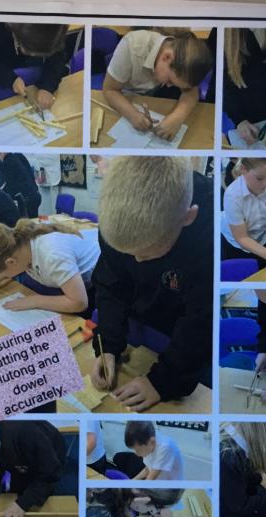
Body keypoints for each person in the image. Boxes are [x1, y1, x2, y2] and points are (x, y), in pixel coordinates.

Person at [90, 156, 213, 411]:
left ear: (187, 217)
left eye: (145, 253)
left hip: (182, 335)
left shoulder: (209, 235)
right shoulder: (116, 216)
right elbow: (112, 283)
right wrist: (107, 345)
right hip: (141, 328)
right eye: (126, 253)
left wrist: (163, 381)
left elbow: (201, 320)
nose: (135, 261)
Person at [0, 220, 100, 315]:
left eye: (3, 272)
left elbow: (79, 303)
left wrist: (35, 301)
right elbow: (15, 268)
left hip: (100, 271)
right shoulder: (20, 246)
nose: (5, 276)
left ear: (11, 262)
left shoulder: (52, 256)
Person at [103, 29, 213, 140]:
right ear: (166, 57)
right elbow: (110, 90)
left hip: (151, 96)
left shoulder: (183, 58)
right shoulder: (132, 46)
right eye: (170, 80)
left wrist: (177, 118)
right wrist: (133, 115)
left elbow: (192, 91)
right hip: (125, 94)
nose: (169, 85)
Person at [0, 22, 70, 110]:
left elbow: (58, 54)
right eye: (29, 50)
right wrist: (10, 78)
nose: (32, 54)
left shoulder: (53, 21)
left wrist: (48, 85)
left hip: (32, 73)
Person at [0, 153, 41, 218]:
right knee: (33, 220)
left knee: (25, 222)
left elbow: (9, 184)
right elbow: (30, 174)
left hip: (26, 199)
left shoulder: (7, 162)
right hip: (35, 194)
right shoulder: (19, 155)